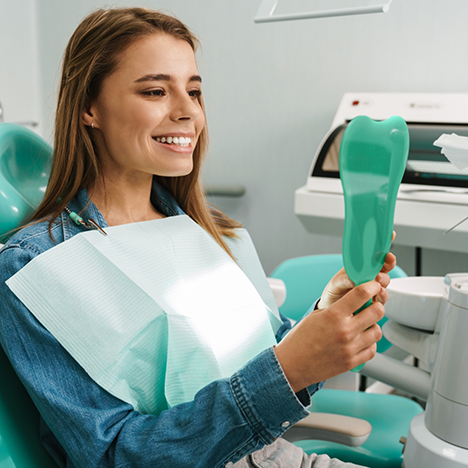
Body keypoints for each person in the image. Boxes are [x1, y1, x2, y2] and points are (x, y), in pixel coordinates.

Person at [0, 7, 395, 468]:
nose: (188, 112)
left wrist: (326, 319)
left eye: (194, 91)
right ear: (89, 107)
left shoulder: (208, 231)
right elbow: (111, 456)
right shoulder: (32, 267)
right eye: (155, 90)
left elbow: (261, 367)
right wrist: (291, 369)